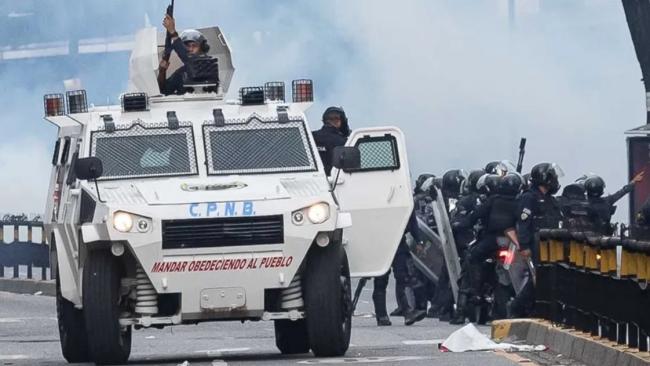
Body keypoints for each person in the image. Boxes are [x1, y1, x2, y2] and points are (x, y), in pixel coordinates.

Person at [450, 173, 523, 324]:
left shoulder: (493, 201)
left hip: (491, 240)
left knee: (471, 258)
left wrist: (461, 224)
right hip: (510, 244)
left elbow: (475, 216)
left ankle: (465, 305)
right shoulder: (519, 202)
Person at [509, 163, 563, 318]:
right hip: (536, 243)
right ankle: (516, 307)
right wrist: (525, 246)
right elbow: (524, 223)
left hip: (551, 244)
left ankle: (536, 309)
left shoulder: (550, 200)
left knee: (547, 277)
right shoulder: (529, 197)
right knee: (540, 278)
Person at [158, 14, 211, 95]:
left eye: (194, 46)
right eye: (187, 46)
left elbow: (189, 59)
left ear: (202, 49)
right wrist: (162, 71)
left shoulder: (207, 65)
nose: (190, 49)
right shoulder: (181, 73)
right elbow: (164, 90)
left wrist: (172, 31)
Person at [312, 107, 351, 176]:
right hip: (336, 181)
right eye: (334, 118)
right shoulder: (343, 142)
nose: (335, 120)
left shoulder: (311, 136)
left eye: (336, 118)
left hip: (313, 179)